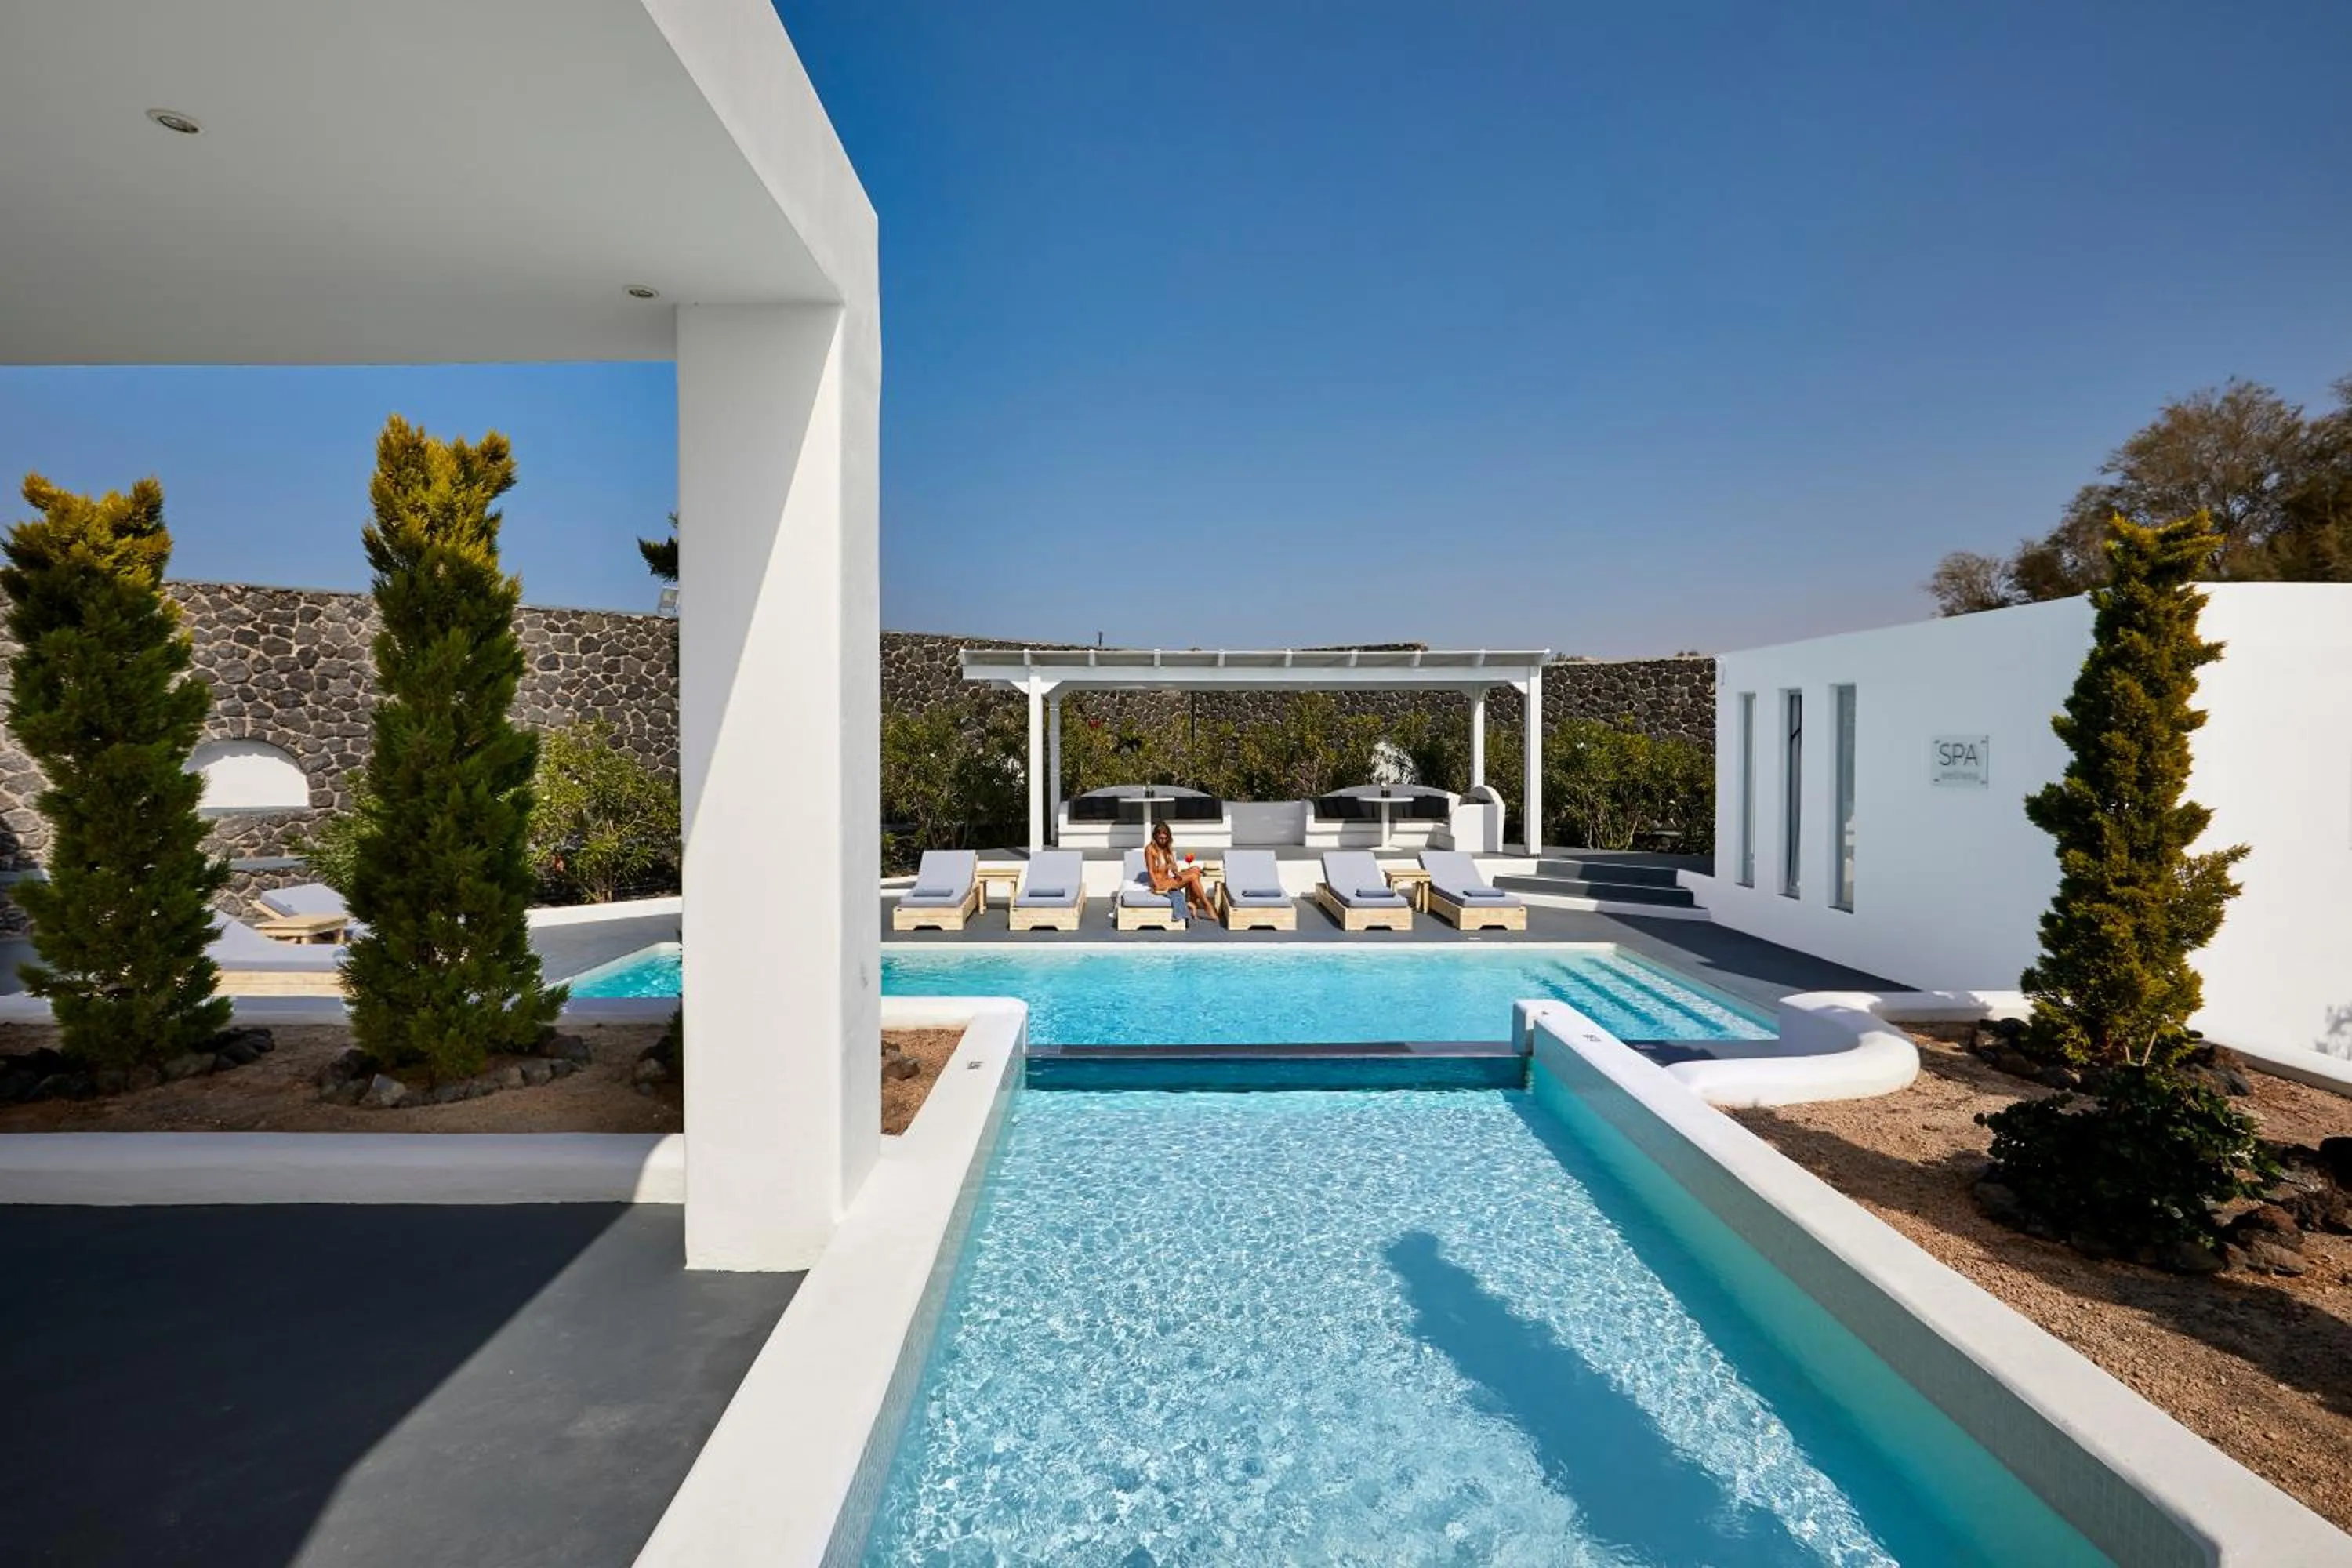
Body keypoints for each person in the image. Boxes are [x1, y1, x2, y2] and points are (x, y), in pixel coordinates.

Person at [1145, 818, 1214, 923]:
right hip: (1159, 884)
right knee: (1192, 876)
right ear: (1155, 836)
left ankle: (1192, 902)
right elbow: (1150, 870)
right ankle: (1206, 905)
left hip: (1167, 881)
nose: (1163, 840)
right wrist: (1158, 887)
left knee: (1196, 869)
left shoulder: (1166, 848)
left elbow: (1174, 870)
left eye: (1165, 838)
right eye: (1161, 838)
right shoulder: (1150, 849)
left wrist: (1176, 870)